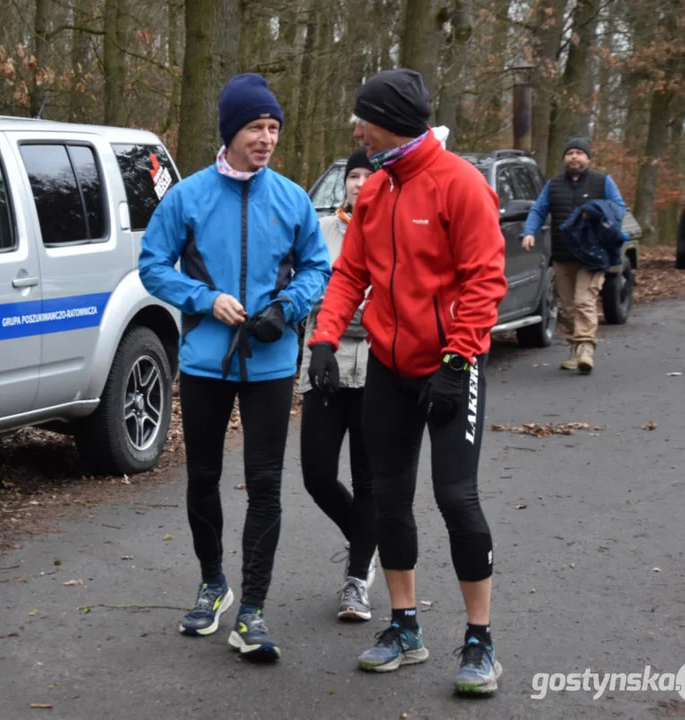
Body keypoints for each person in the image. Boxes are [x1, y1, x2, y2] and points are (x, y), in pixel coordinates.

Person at [306, 68, 508, 695]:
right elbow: (349, 276)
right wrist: (323, 340)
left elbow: (485, 282)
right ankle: (404, 627)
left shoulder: (460, 185)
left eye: (363, 119)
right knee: (389, 497)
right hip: (389, 369)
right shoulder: (375, 190)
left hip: (450, 368)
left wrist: (456, 361)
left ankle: (480, 641)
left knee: (456, 499)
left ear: (390, 120)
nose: (356, 129)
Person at [138, 72, 331, 662]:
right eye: (255, 127)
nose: (266, 138)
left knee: (267, 486)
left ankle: (252, 611)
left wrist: (287, 307)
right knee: (202, 478)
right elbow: (152, 266)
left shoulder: (292, 198)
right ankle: (212, 585)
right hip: (204, 360)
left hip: (271, 363)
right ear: (230, 132)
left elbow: (317, 268)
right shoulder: (187, 196)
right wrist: (204, 298)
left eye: (273, 128)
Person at [298, 146, 378, 622]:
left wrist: (349, 311)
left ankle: (356, 579)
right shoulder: (321, 231)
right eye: (354, 176)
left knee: (369, 478)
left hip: (375, 368)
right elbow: (311, 291)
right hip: (323, 364)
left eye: (370, 175)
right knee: (316, 474)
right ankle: (365, 539)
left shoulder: (391, 234)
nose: (360, 182)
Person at [522, 137, 627, 373]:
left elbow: (619, 208)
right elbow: (539, 209)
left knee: (584, 301)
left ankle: (586, 348)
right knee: (568, 307)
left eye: (580, 153)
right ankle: (575, 348)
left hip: (593, 255)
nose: (575, 157)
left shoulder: (603, 181)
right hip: (562, 254)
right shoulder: (554, 184)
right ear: (564, 158)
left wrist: (598, 212)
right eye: (570, 153)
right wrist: (529, 232)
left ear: (588, 158)